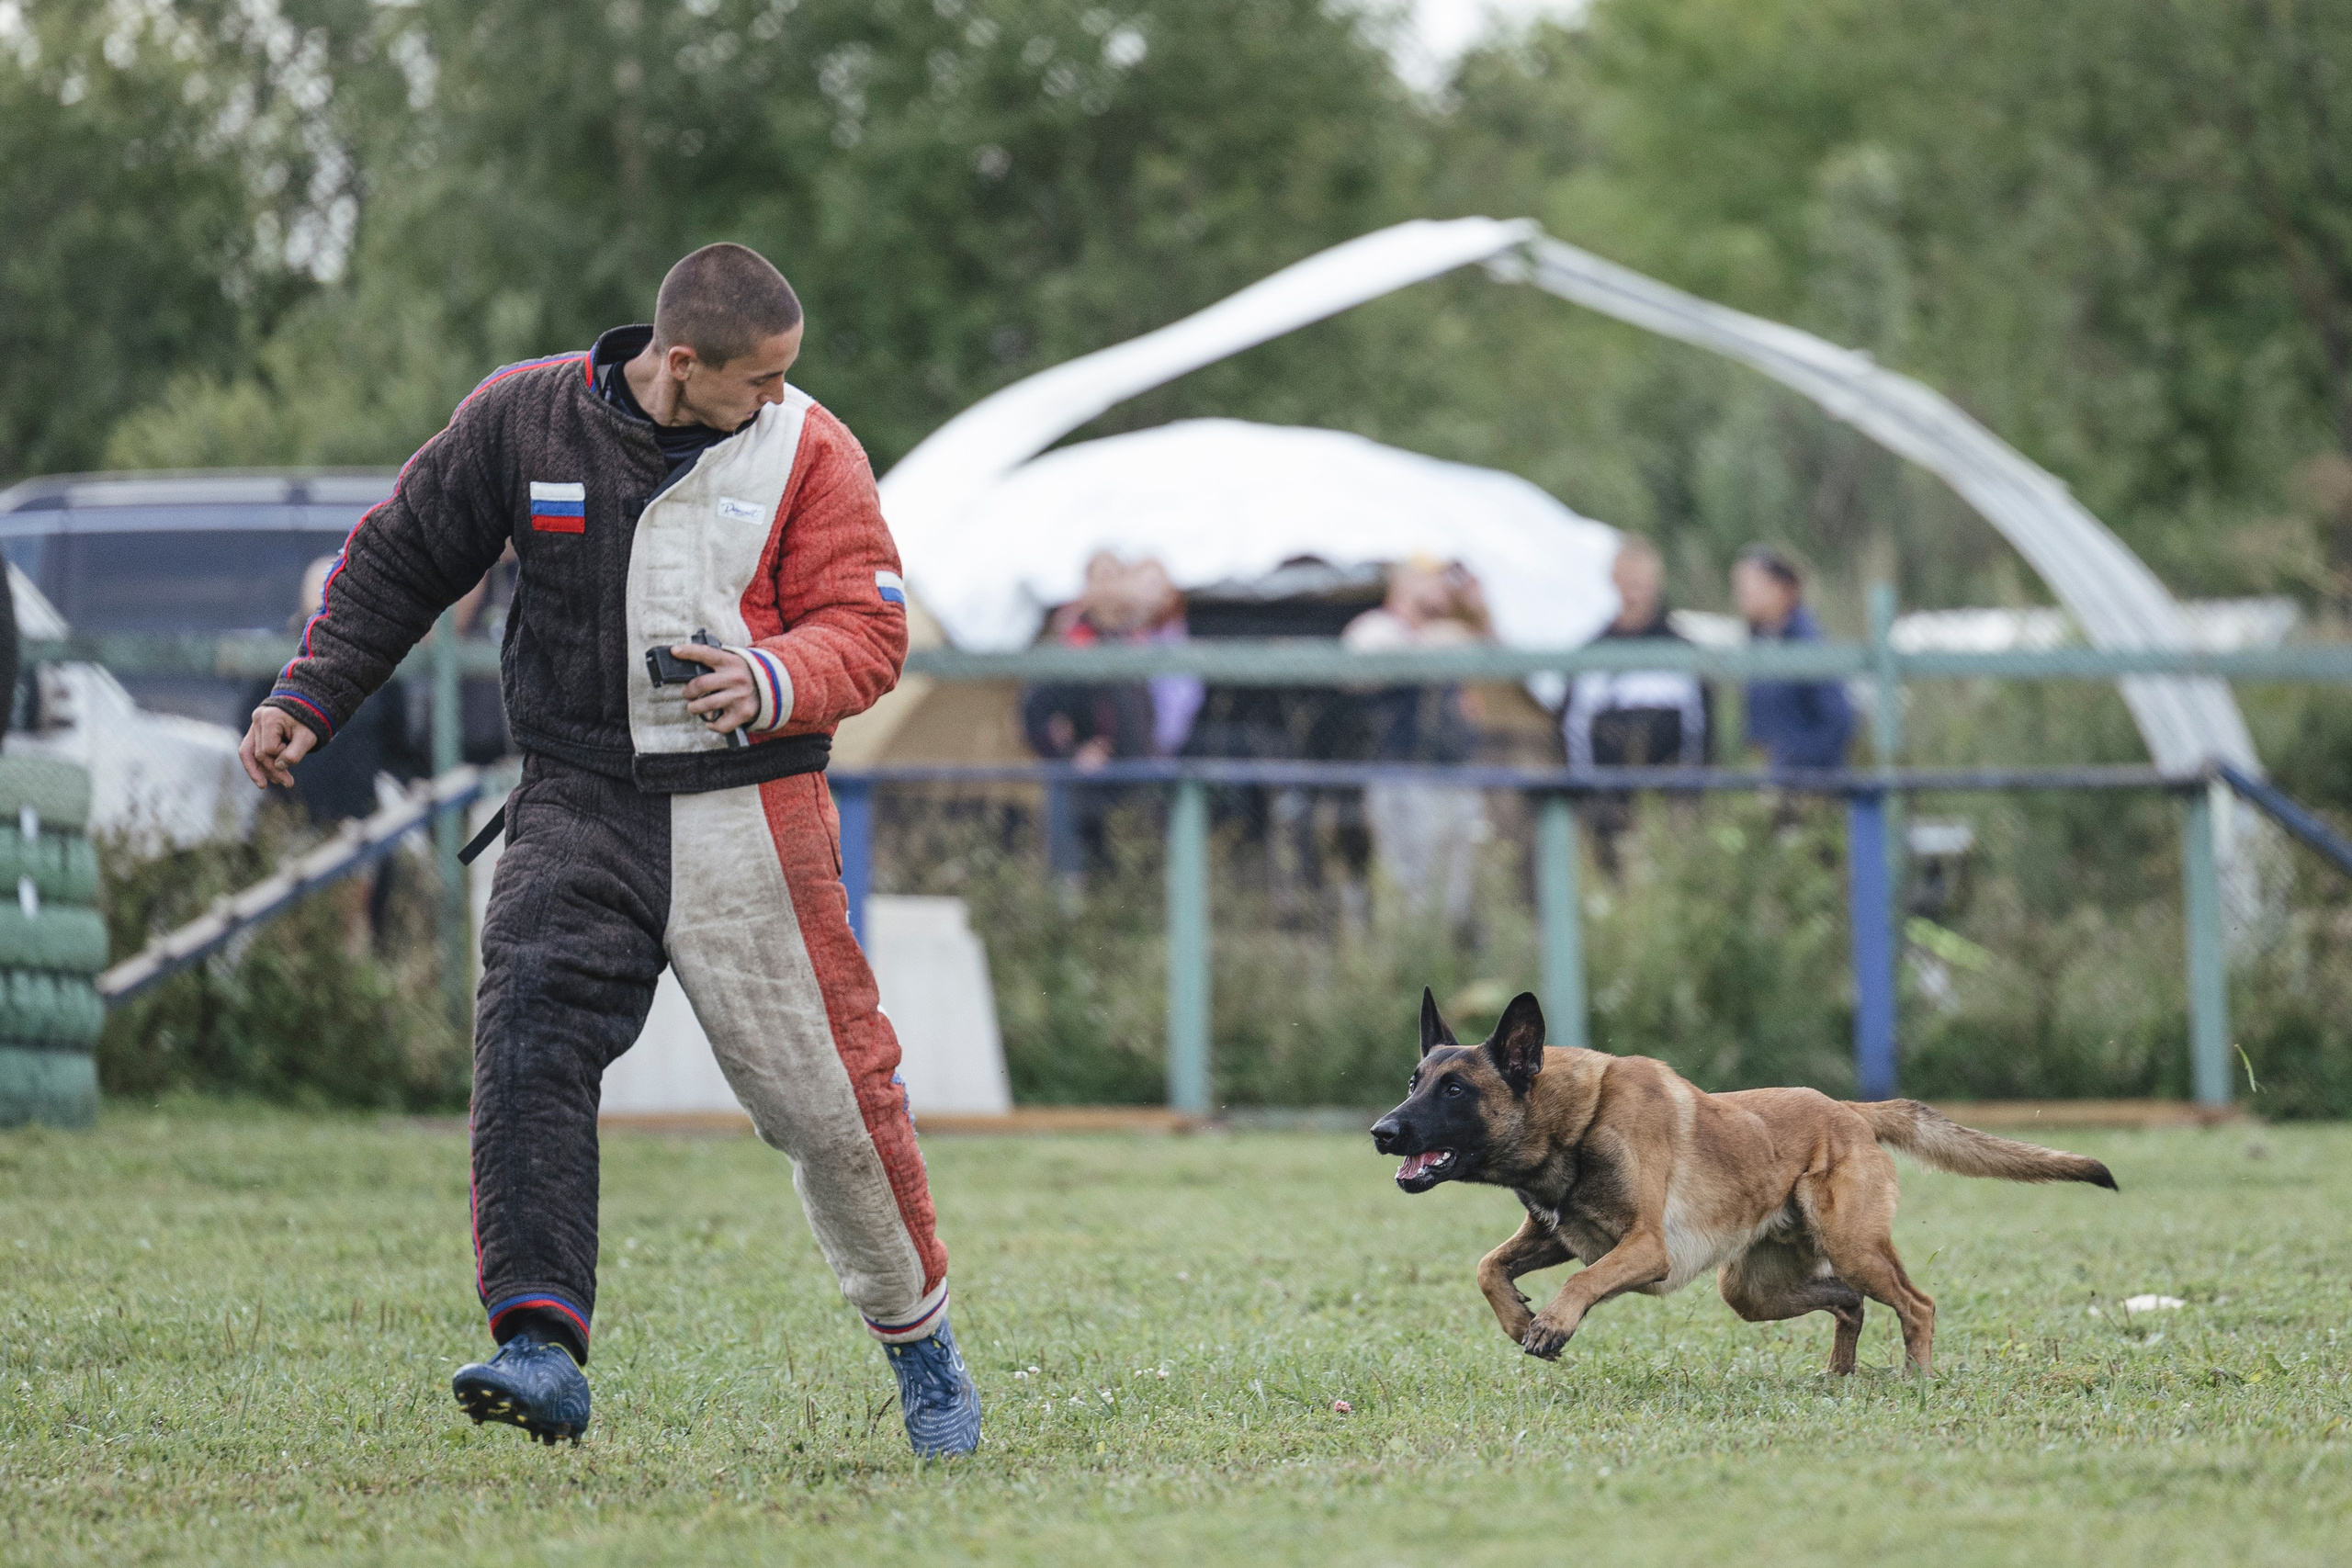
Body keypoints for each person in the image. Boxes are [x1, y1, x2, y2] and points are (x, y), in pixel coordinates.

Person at [236, 243, 978, 1457]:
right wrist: (310, 693)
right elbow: (401, 556)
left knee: (833, 1101)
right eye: (759, 378)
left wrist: (773, 675)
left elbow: (868, 625)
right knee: (527, 1040)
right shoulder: (521, 418)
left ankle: (924, 1352)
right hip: (575, 798)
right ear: (681, 362)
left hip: (753, 807)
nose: (779, 397)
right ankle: (540, 1344)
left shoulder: (813, 449)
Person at [1342, 557, 1489, 927]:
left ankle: (1444, 958)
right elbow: (1359, 674)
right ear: (1405, 585)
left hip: (1452, 774)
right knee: (1407, 889)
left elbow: (1491, 655)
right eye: (1432, 580)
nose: (1442, 588)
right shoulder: (1376, 628)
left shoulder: (1448, 631)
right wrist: (1442, 639)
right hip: (1401, 776)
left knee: (1455, 894)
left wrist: (1476, 613)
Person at [1561, 536, 1709, 869]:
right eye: (1628, 580)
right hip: (1604, 809)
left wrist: (1688, 799)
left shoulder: (1684, 653)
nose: (1636, 590)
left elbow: (1702, 735)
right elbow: (1570, 731)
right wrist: (1586, 797)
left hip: (1669, 810)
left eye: (1643, 581)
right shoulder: (1589, 655)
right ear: (1613, 581)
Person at [1731, 546, 1853, 769]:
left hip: (1811, 777)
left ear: (1780, 587)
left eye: (1750, 586)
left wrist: (1795, 761)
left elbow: (1839, 719)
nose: (1741, 595)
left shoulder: (1809, 643)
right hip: (1773, 776)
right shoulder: (1758, 641)